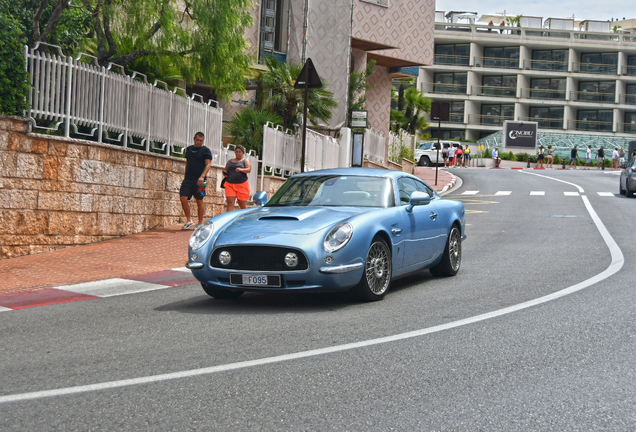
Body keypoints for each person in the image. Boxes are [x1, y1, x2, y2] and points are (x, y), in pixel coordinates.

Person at [179, 132, 212, 230]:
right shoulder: (189, 149)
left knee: (199, 200)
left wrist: (202, 176)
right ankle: (189, 220)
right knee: (183, 198)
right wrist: (185, 176)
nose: (199, 142)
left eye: (201, 140)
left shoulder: (206, 150)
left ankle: (200, 222)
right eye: (198, 140)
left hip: (200, 180)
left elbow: (208, 165)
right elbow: (187, 163)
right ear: (194, 139)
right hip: (188, 179)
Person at [224, 145, 252, 211]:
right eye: (237, 152)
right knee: (230, 203)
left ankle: (245, 219)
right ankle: (228, 220)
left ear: (243, 153)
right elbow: (225, 169)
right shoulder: (230, 161)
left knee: (242, 204)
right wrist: (225, 173)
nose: (238, 153)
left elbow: (249, 169)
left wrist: (241, 170)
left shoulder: (245, 161)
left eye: (239, 152)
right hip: (230, 184)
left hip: (242, 185)